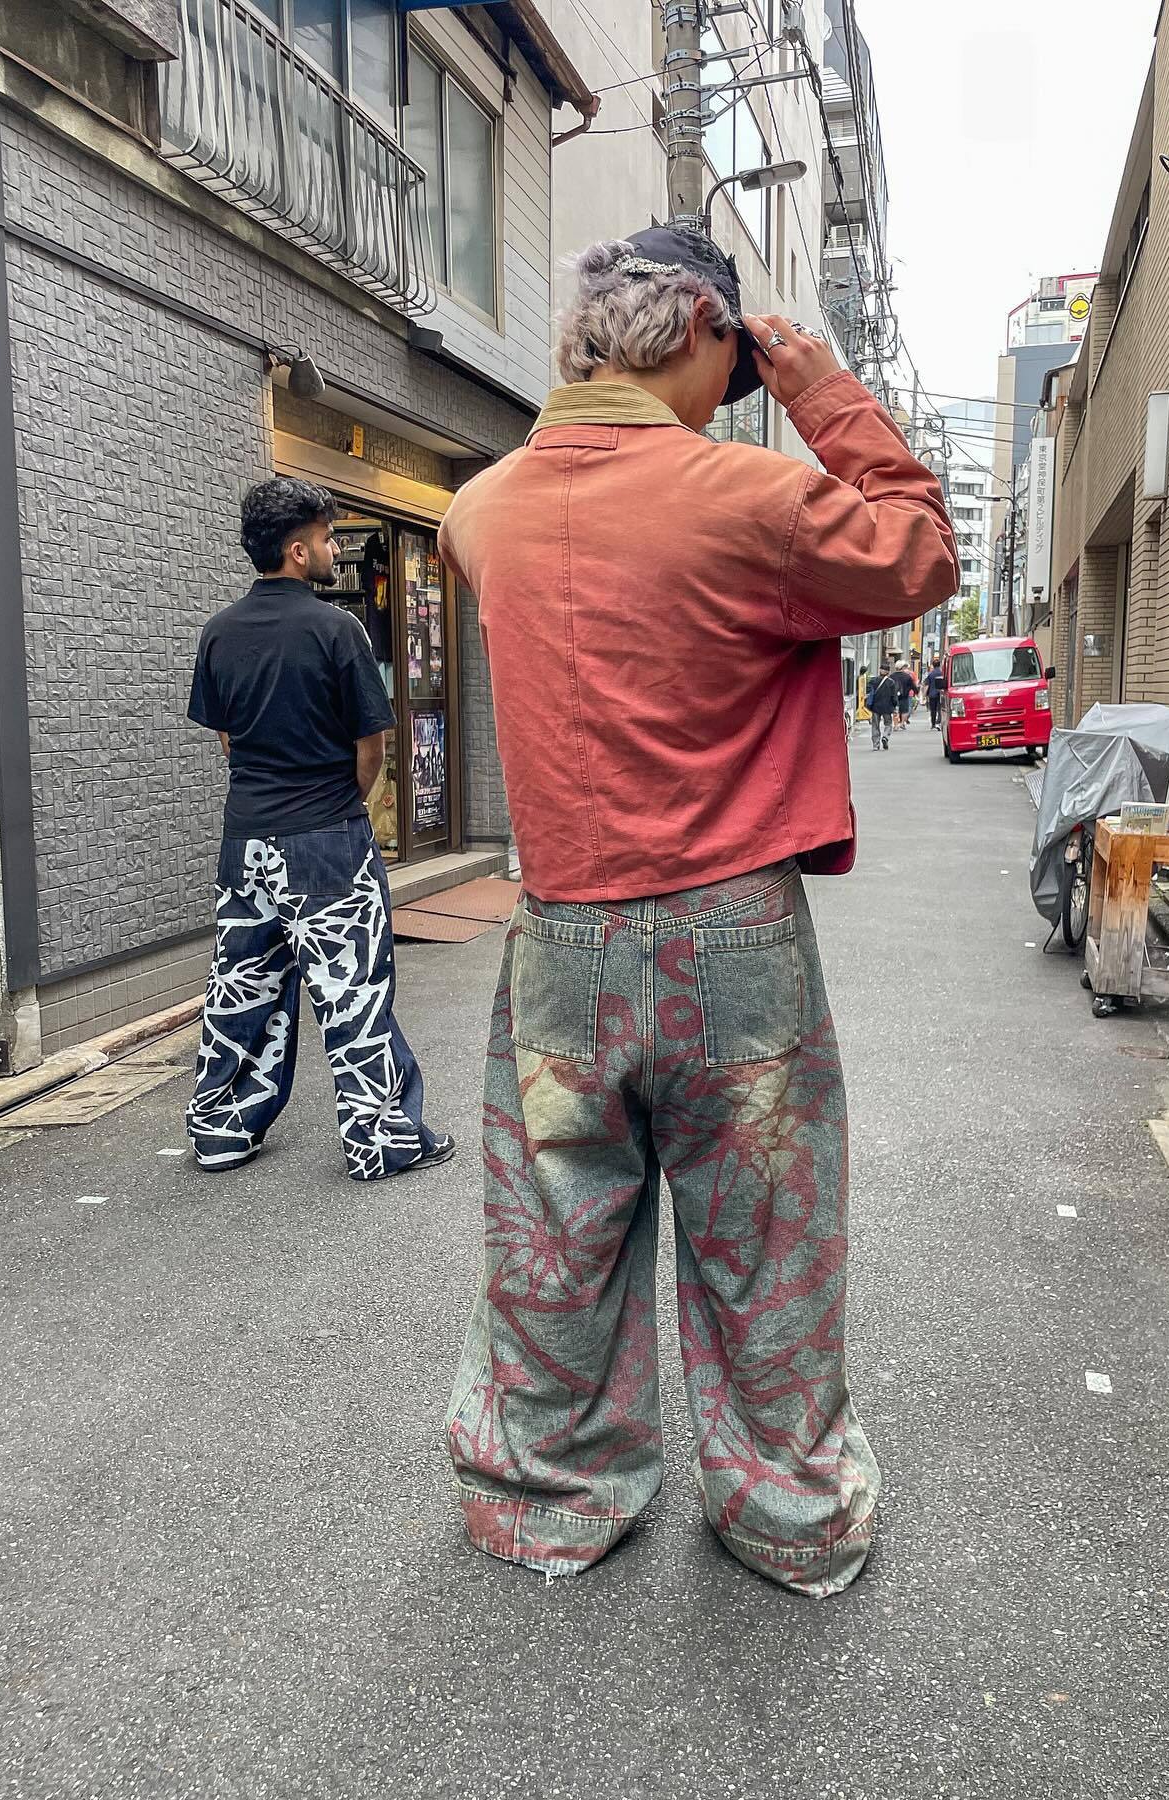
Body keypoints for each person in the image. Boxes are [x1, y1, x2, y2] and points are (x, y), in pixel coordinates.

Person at [438, 226, 957, 1598]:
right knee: (765, 1244)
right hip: (735, 933)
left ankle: (547, 1498)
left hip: (561, 935)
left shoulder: (478, 511)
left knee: (555, 1237)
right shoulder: (752, 501)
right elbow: (919, 552)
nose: (735, 388)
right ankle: (787, 1514)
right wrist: (817, 386)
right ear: (703, 329)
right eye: (734, 362)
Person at [185, 477, 454, 1180]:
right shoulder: (337, 630)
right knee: (353, 992)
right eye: (329, 539)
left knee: (243, 988)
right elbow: (373, 744)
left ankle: (222, 1130)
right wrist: (344, 803)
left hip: (245, 841)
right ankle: (380, 1141)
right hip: (327, 840)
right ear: (298, 551)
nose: (336, 550)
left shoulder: (219, 632)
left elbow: (228, 740)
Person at [865, 659, 899, 751]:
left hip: (875, 707)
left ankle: (875, 745)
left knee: (875, 725)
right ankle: (885, 737)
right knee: (888, 724)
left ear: (880, 670)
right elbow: (894, 696)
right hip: (887, 707)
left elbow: (868, 692)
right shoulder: (891, 682)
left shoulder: (873, 681)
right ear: (888, 672)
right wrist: (895, 707)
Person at [925, 651, 946, 730]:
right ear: (939, 665)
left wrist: (924, 694)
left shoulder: (930, 674)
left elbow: (927, 685)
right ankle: (939, 722)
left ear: (933, 665)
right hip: (941, 693)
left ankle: (933, 724)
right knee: (940, 708)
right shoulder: (942, 673)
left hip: (932, 693)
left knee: (933, 710)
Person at [893, 658, 916, 730]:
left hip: (894, 696)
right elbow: (912, 685)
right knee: (904, 711)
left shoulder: (892, 676)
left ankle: (895, 725)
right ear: (902, 668)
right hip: (905, 695)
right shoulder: (907, 676)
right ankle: (902, 723)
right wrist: (916, 692)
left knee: (895, 710)